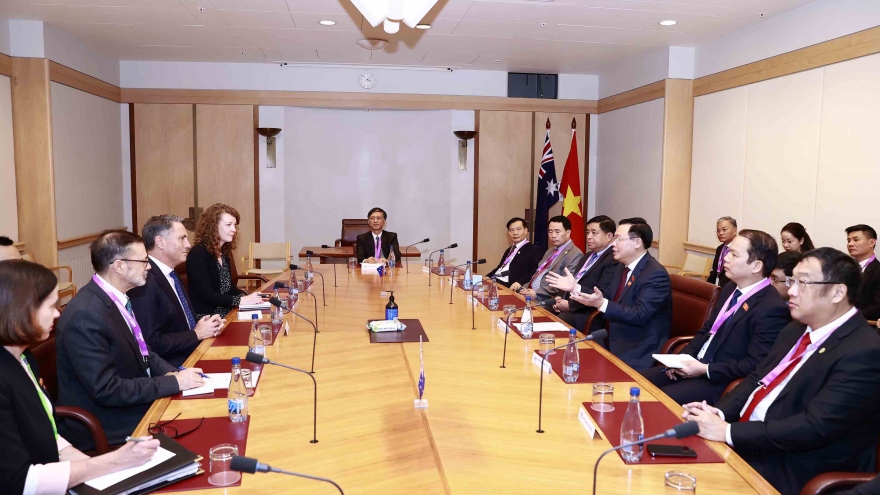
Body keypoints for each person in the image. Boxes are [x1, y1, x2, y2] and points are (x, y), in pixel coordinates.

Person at [683, 248, 880, 495]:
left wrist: (728, 432)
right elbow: (757, 378)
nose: (791, 291)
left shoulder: (864, 351)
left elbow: (814, 427)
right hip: (750, 439)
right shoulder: (795, 329)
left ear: (838, 292)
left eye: (803, 283)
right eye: (791, 281)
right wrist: (719, 413)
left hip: (794, 463)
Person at [0, 260, 163, 495]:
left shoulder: (24, 358)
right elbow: (19, 482)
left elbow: (48, 434)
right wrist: (113, 462)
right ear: (21, 310)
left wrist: (96, 469)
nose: (58, 313)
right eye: (50, 306)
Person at [56, 230, 205, 450]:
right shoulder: (86, 315)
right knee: (198, 428)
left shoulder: (116, 298)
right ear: (119, 266)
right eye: (143, 261)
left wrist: (174, 374)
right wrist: (174, 383)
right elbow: (107, 390)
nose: (149, 267)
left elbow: (143, 351)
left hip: (130, 400)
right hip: (107, 421)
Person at [642, 230, 791, 405]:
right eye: (728, 252)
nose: (726, 258)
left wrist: (705, 369)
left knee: (654, 402)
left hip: (719, 380)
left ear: (756, 266)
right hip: (694, 366)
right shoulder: (729, 289)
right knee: (635, 381)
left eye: (734, 254)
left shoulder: (771, 308)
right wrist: (680, 360)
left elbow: (755, 364)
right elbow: (707, 330)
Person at [569, 218, 672, 370]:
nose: (613, 244)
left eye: (618, 239)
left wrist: (601, 303)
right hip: (612, 337)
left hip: (638, 347)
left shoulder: (655, 274)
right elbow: (605, 297)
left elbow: (640, 315)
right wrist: (575, 287)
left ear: (637, 242)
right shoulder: (622, 267)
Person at [129, 215, 224, 367]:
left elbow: (178, 323)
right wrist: (196, 334)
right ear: (160, 242)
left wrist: (206, 326)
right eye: (182, 238)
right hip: (172, 366)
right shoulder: (145, 280)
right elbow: (151, 343)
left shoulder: (171, 272)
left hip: (191, 351)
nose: (188, 245)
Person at [186, 203, 262, 318]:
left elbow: (229, 287)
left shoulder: (224, 252)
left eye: (235, 225)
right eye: (228, 225)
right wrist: (241, 301)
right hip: (208, 317)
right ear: (213, 226)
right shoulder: (198, 253)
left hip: (226, 311)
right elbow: (206, 295)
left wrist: (248, 298)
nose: (234, 229)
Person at [545, 215, 619, 330]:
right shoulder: (587, 256)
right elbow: (572, 281)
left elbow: (600, 294)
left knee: (555, 324)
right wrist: (560, 298)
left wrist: (570, 305)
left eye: (594, 233)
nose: (588, 237)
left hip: (586, 311)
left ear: (609, 236)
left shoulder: (613, 260)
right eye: (587, 232)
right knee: (541, 309)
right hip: (570, 302)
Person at [516, 215, 583, 301]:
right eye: (550, 232)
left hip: (547, 299)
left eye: (557, 232)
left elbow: (565, 283)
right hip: (532, 292)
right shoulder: (550, 250)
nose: (553, 235)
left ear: (568, 232)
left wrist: (537, 293)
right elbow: (538, 273)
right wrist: (525, 288)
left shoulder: (575, 254)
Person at [485, 217, 541, 288]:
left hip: (511, 285)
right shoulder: (509, 250)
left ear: (526, 231)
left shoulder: (534, 249)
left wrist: (520, 282)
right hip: (496, 281)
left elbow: (536, 270)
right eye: (512, 230)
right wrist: (488, 276)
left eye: (518, 229)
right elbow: (500, 267)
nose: (515, 233)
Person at [846, 224, 880, 320]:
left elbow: (878, 307)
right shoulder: (844, 268)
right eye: (849, 240)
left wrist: (848, 316)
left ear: (872, 242)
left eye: (856, 240)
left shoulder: (878, 270)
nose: (850, 244)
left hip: (866, 324)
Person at [706, 217, 737, 287]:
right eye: (718, 230)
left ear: (734, 231)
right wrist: (707, 288)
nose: (720, 233)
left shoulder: (739, 250)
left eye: (724, 229)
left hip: (730, 288)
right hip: (716, 287)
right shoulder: (719, 249)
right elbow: (714, 272)